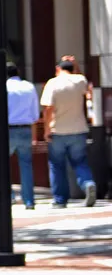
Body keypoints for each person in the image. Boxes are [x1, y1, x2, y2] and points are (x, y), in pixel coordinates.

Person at [41, 57, 97, 208]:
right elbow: (87, 90)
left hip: (58, 130)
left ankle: (60, 200)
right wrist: (76, 65)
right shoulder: (79, 80)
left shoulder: (53, 83)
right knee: (80, 162)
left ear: (58, 69)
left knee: (57, 165)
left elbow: (48, 108)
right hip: (78, 129)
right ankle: (88, 183)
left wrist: (46, 130)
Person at [6, 63, 39, 210]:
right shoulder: (29, 86)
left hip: (8, 130)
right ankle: (29, 201)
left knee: (3, 165)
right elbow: (35, 114)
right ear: (18, 72)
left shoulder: (3, 87)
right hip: (25, 129)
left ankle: (9, 197)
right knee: (26, 165)